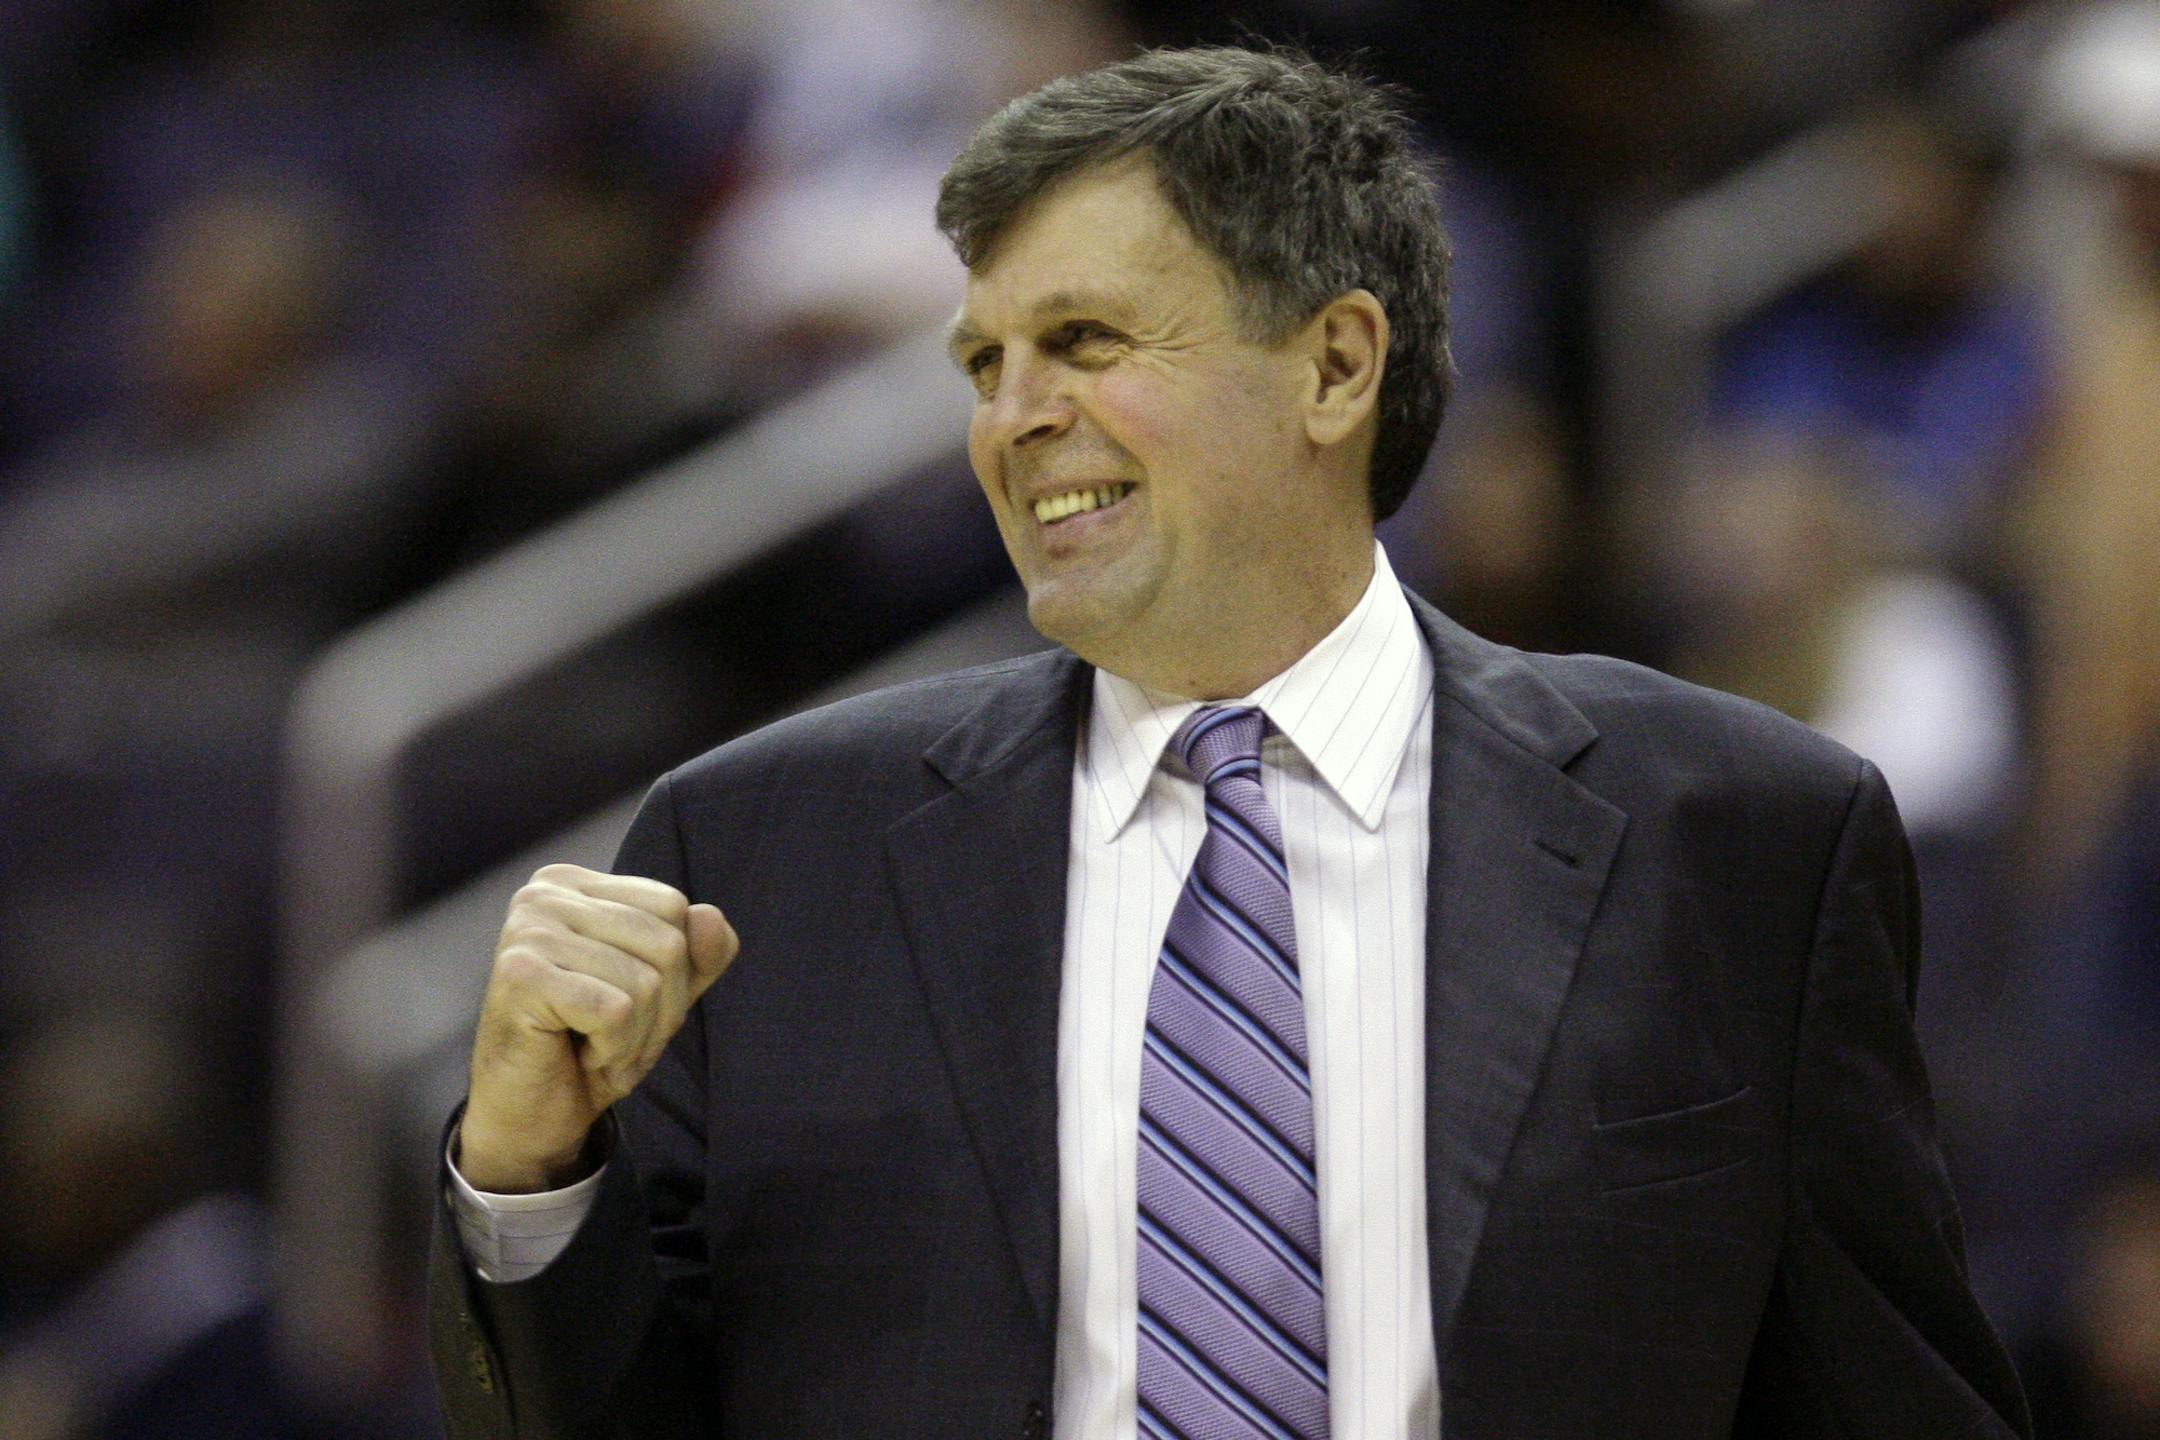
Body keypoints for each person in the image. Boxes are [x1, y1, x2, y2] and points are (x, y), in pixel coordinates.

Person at [426, 45, 2031, 1440]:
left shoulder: (1741, 838)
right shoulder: (761, 858)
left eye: (1090, 342)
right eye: (986, 362)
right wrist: (524, 1180)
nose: (1011, 415)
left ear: (1335, 365)